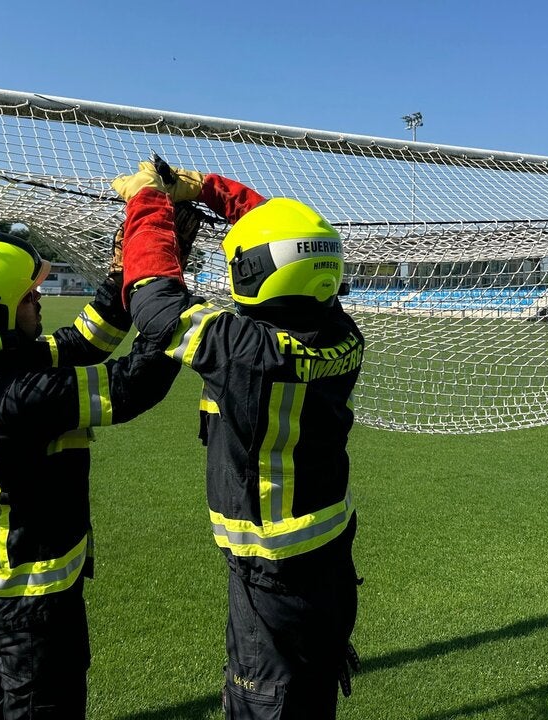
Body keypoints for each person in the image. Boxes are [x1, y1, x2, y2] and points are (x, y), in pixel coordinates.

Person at [112, 162, 364, 718]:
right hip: (325, 561)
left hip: (273, 575)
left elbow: (155, 303)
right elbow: (287, 236)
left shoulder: (246, 352)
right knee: (312, 698)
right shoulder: (337, 328)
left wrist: (150, 203)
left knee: (264, 706)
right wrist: (205, 190)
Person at [0, 229, 179, 720]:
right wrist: (166, 299)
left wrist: (127, 269)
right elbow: (133, 385)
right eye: (26, 296)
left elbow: (81, 342)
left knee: (2, 704)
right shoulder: (11, 397)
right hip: (33, 598)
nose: (39, 298)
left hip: (7, 590)